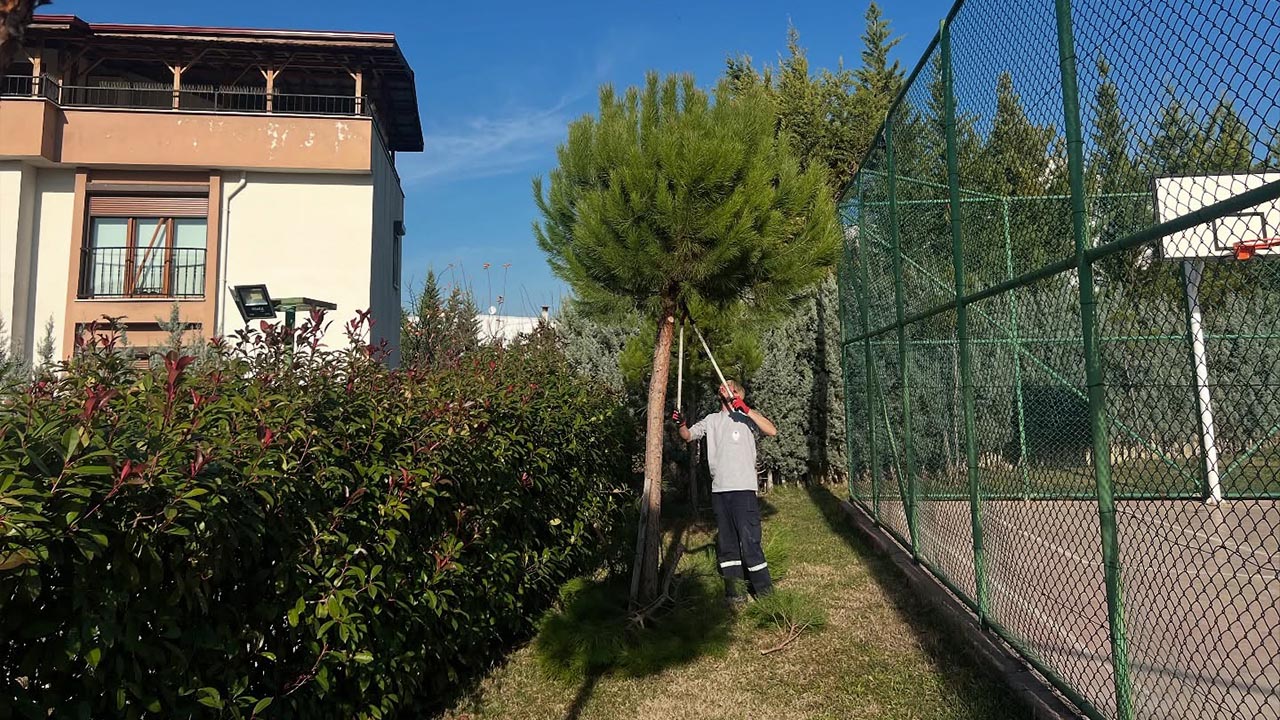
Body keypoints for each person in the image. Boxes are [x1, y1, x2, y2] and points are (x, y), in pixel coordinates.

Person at [672, 379, 777, 604]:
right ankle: (735, 593)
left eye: (729, 384)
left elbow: (772, 430)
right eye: (722, 384)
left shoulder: (746, 417)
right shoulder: (712, 420)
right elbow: (688, 435)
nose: (723, 385)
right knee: (728, 545)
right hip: (720, 490)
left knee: (750, 542)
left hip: (743, 490)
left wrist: (746, 409)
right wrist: (681, 424)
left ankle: (766, 595)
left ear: (738, 393)